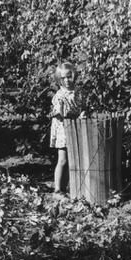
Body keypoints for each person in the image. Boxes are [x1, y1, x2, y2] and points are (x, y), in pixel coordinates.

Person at [49, 62, 82, 194]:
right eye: (63, 78)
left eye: (69, 77)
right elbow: (59, 112)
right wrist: (62, 113)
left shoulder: (78, 93)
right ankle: (58, 189)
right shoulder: (60, 95)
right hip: (63, 129)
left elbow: (81, 107)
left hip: (76, 128)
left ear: (74, 76)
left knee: (72, 160)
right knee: (63, 159)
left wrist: (82, 113)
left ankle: (65, 187)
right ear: (59, 80)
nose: (67, 80)